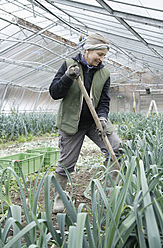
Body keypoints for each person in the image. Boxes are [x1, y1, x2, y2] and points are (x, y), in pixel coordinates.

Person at [49, 33, 121, 213]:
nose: (102, 59)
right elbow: (54, 93)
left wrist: (103, 118)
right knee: (67, 163)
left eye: (104, 55)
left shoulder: (104, 73)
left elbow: (104, 101)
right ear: (88, 51)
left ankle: (109, 191)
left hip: (94, 122)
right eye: (100, 55)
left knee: (116, 148)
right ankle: (59, 198)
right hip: (72, 123)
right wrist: (67, 77)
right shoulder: (69, 65)